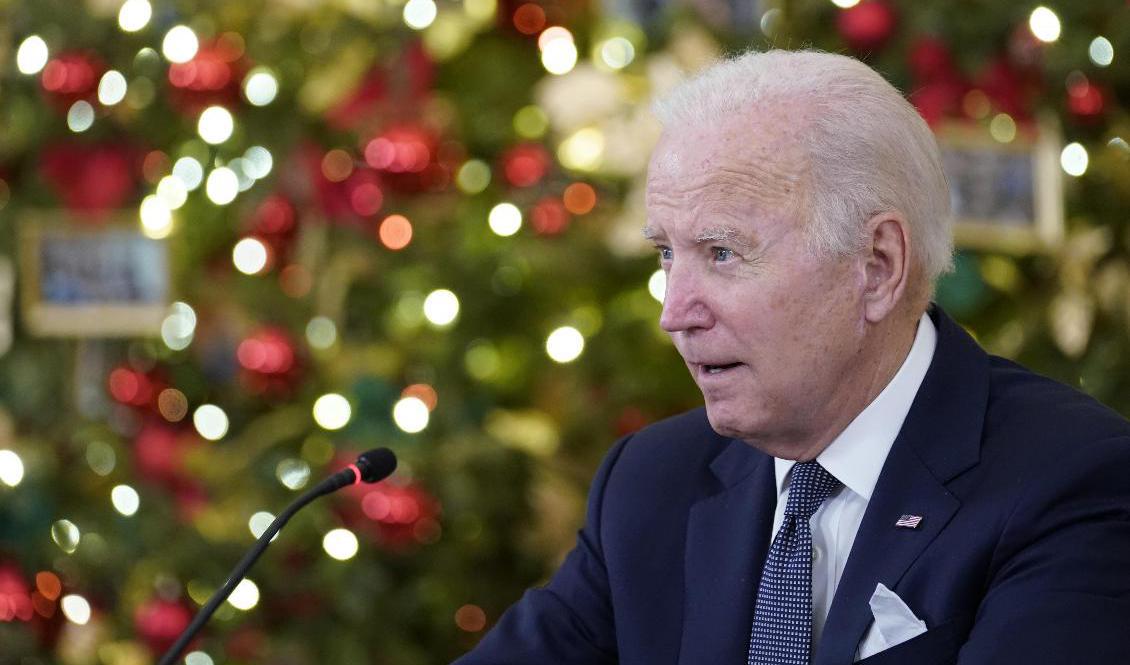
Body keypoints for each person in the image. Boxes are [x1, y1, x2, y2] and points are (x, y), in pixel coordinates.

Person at [453, 49, 1130, 665]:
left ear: (877, 265)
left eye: (721, 252)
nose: (673, 312)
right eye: (667, 252)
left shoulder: (1073, 483)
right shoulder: (652, 482)